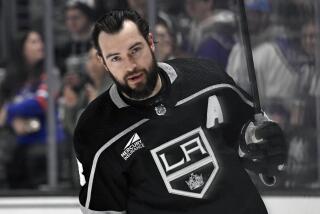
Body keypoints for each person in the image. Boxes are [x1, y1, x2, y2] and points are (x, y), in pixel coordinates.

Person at [73, 9, 286, 214]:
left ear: (150, 42)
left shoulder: (207, 79)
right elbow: (103, 210)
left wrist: (260, 143)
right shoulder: (97, 130)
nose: (130, 66)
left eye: (135, 50)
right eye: (116, 58)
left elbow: (251, 130)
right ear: (103, 61)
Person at [0, 30, 64, 188]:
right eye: (34, 42)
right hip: (19, 149)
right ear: (22, 47)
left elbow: (41, 103)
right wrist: (12, 120)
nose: (40, 45)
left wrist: (9, 110)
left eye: (41, 41)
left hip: (45, 145)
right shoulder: (12, 78)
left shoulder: (51, 72)